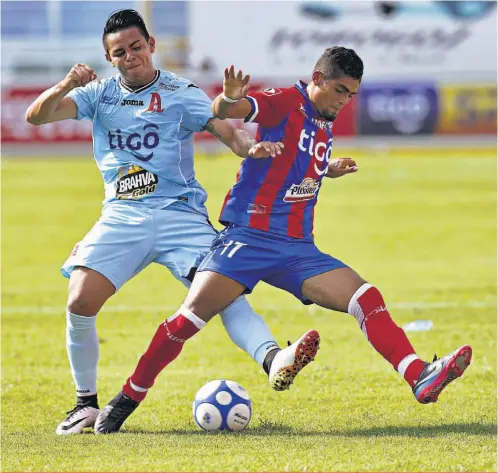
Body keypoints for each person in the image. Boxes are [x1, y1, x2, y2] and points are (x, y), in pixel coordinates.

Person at [94, 46, 473, 434]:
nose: (345, 101)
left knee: (365, 298)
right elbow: (227, 111)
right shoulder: (285, 101)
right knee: (187, 321)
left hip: (297, 249)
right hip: (248, 240)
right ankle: (126, 400)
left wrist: (326, 168)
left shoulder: (324, 117)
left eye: (352, 94)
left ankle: (419, 375)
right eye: (340, 90)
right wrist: (230, 96)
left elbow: (297, 161)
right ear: (319, 80)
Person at [25, 9, 319, 435]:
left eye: (136, 47)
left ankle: (275, 359)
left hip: (179, 215)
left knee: (221, 293)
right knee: (79, 301)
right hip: (123, 215)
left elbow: (227, 130)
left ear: (152, 45)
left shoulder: (181, 92)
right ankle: (84, 405)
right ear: (111, 58)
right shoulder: (97, 94)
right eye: (120, 52)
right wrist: (69, 83)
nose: (130, 57)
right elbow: (37, 116)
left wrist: (249, 148)